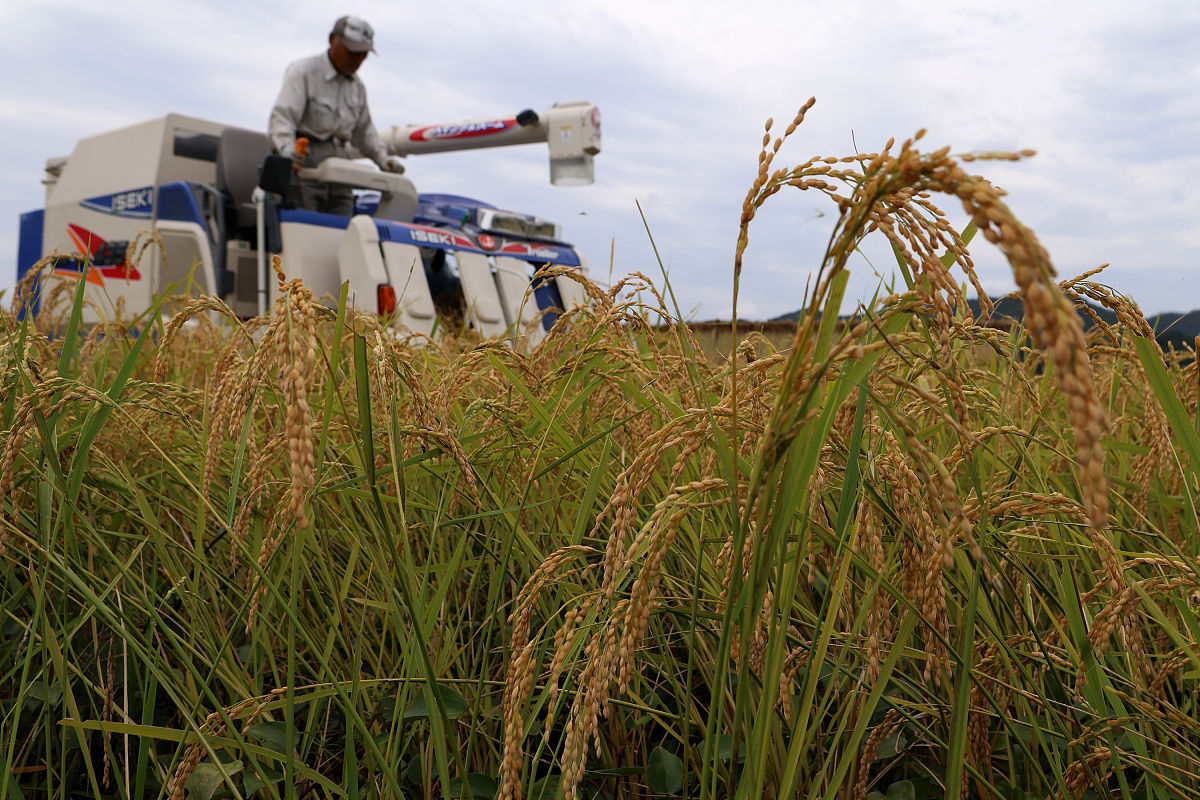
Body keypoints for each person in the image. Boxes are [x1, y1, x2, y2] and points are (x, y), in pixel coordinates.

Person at [268, 15, 405, 215]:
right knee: (307, 225)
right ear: (333, 39)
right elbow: (282, 118)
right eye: (352, 52)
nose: (357, 59)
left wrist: (383, 159)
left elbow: (364, 131)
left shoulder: (357, 87)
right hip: (306, 161)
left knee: (342, 229)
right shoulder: (304, 72)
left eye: (363, 54)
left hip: (341, 164)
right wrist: (287, 147)